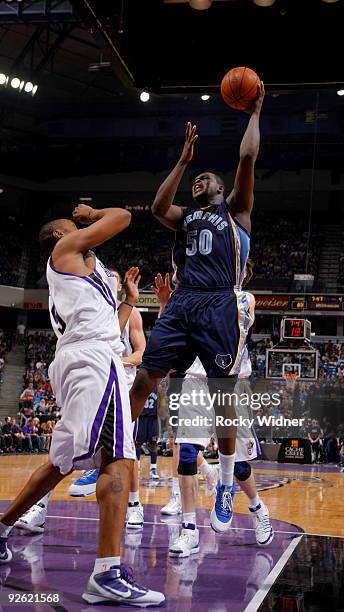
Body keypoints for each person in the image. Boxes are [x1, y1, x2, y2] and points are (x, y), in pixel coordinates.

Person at [0, 205, 164, 607]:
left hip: (84, 357)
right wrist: (92, 214)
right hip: (92, 361)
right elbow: (123, 217)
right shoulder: (64, 250)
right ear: (60, 235)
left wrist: (127, 301)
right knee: (120, 460)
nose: (80, 229)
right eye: (73, 227)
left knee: (62, 461)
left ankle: (2, 528)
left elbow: (108, 321)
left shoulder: (78, 272)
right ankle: (107, 573)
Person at [129, 83, 265, 534]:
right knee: (146, 375)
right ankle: (115, 447)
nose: (197, 182)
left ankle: (226, 480)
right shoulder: (184, 215)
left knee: (222, 397)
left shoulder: (236, 211)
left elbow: (247, 158)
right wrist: (183, 161)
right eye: (195, 179)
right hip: (184, 302)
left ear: (222, 188)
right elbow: (156, 206)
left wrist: (255, 111)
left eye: (204, 178)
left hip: (220, 303)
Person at [17, 267, 147, 533]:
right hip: (91, 377)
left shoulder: (129, 311)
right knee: (65, 445)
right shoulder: (87, 309)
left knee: (125, 449)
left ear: (118, 284)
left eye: (113, 278)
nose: (107, 281)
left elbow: (141, 352)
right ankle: (39, 508)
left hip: (121, 382)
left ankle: (134, 506)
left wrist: (114, 361)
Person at [156, 267, 273, 556]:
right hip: (194, 382)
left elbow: (221, 330)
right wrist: (166, 306)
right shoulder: (188, 296)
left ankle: (257, 507)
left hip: (231, 382)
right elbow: (166, 338)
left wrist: (184, 302)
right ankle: (189, 530)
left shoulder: (245, 299)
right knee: (185, 454)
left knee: (241, 467)